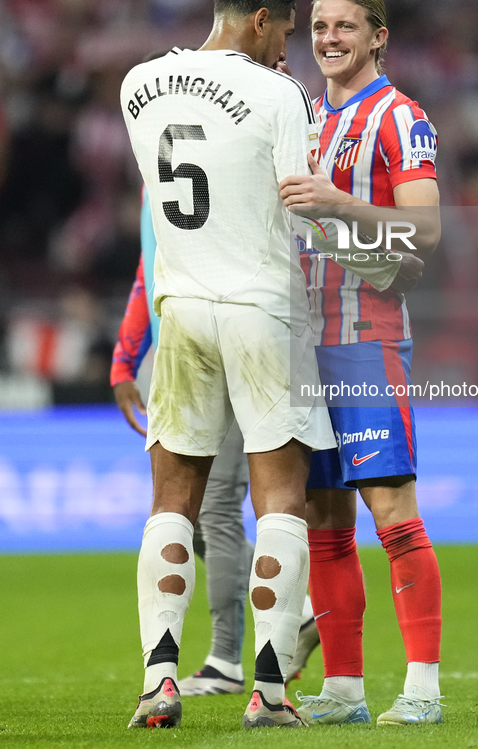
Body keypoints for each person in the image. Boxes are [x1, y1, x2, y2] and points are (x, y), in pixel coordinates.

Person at [120, 0, 336, 730]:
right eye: (283, 32)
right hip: (260, 310)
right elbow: (305, 206)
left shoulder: (136, 85)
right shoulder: (280, 94)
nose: (287, 50)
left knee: (169, 503)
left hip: (179, 306)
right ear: (258, 20)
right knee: (281, 499)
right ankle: (270, 693)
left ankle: (158, 682)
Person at [279, 0, 443, 727]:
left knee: (392, 513)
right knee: (324, 521)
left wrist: (338, 202)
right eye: (318, 25)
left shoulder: (400, 117)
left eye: (346, 25)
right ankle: (344, 690)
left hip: (364, 339)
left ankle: (422, 689)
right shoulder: (306, 117)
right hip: (298, 345)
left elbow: (424, 234)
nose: (329, 38)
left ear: (378, 36)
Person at [110, 194, 320, 696]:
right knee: (193, 520)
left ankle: (226, 658)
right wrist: (127, 355)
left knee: (214, 510)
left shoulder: (188, 146)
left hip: (234, 333)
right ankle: (303, 611)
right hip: (182, 343)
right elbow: (151, 261)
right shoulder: (157, 166)